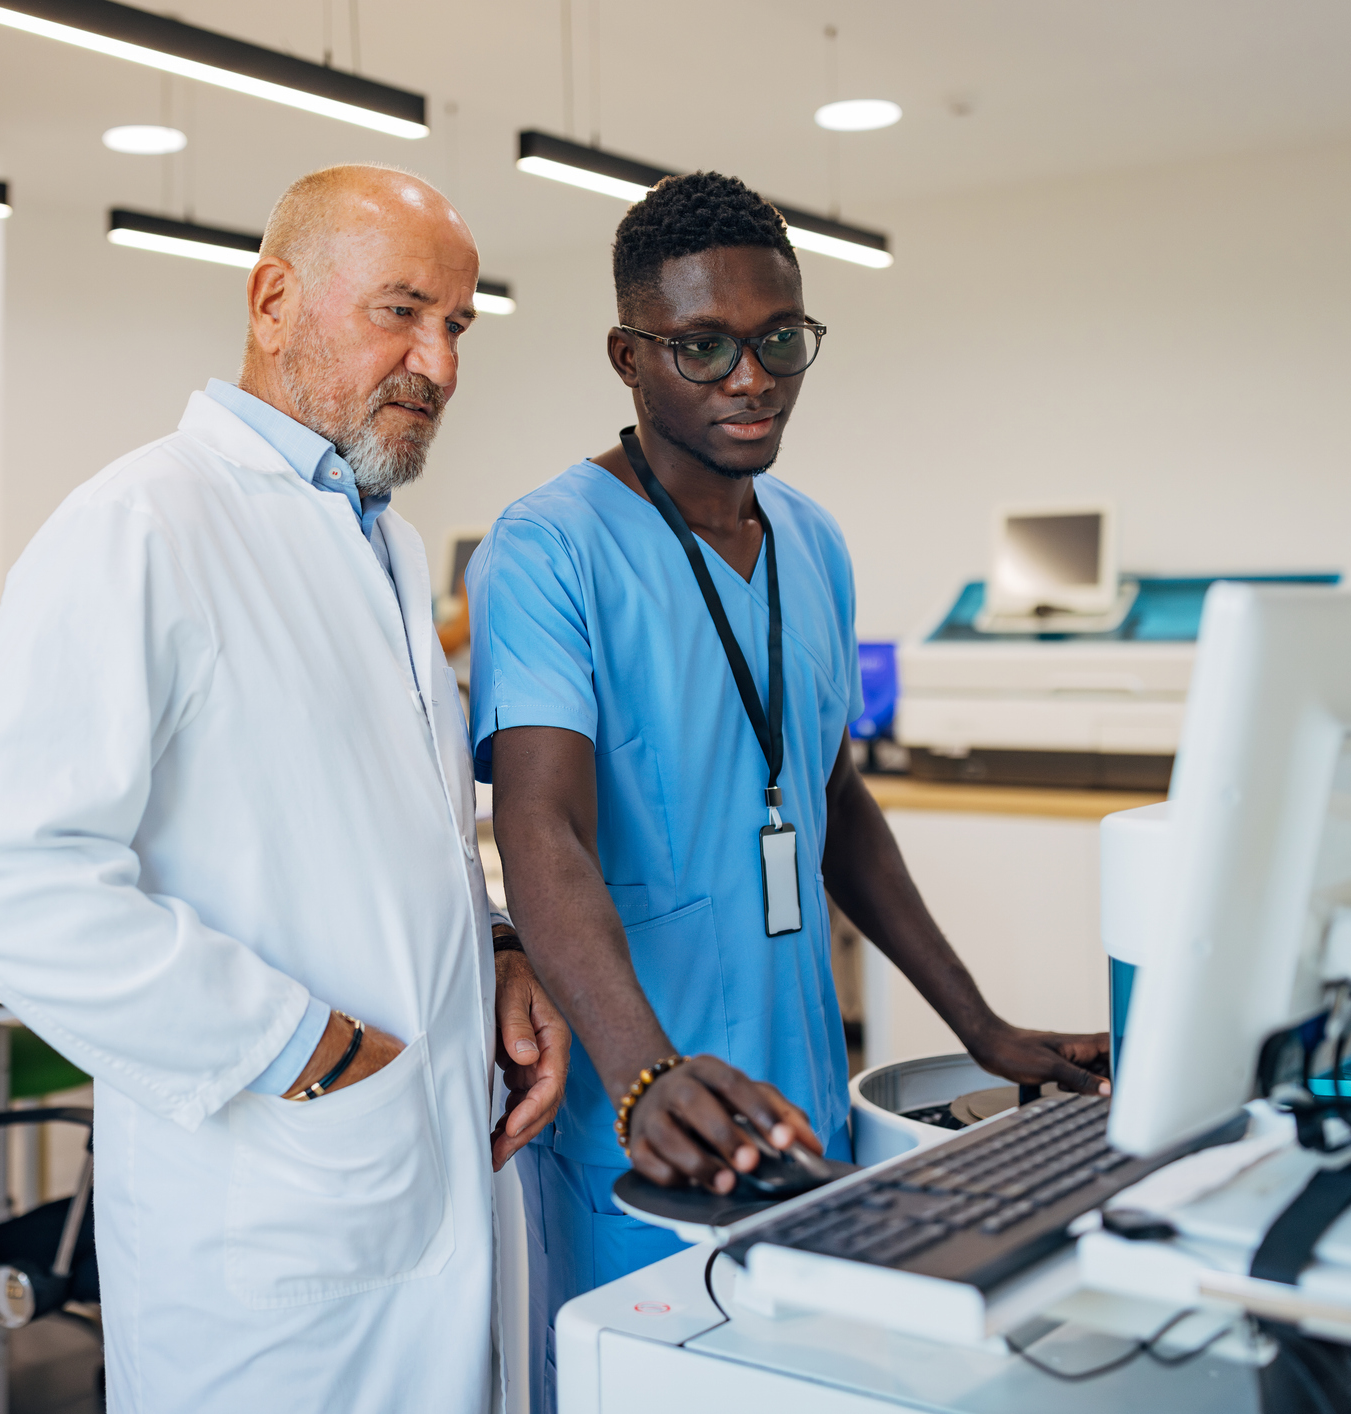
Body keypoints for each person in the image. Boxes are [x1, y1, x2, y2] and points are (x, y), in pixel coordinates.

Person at [0, 165, 568, 1413]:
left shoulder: (385, 537)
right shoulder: (139, 526)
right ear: (274, 299)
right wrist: (285, 1042)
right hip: (273, 1225)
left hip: (418, 1177)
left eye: (456, 326)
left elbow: (385, 829)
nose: (435, 362)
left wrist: (489, 945)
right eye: (399, 311)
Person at [467, 173, 1113, 1409]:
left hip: (803, 1101)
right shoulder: (549, 548)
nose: (748, 377)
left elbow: (832, 804)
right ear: (628, 355)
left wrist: (975, 1027)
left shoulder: (812, 540)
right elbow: (538, 822)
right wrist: (649, 1075)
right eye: (701, 345)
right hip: (646, 1116)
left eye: (777, 340)